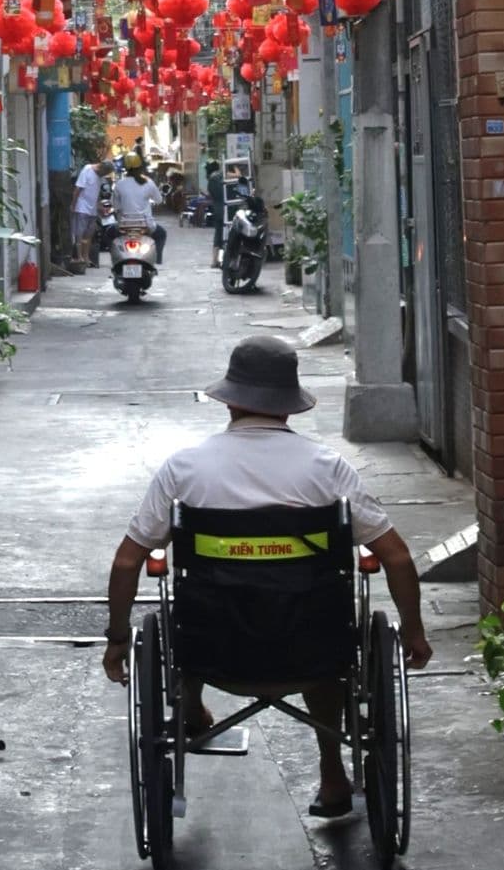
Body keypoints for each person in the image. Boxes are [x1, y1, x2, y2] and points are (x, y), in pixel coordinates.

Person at [102, 337, 432, 818]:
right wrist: (415, 632)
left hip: (215, 647)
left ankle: (191, 706)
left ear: (231, 399)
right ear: (289, 406)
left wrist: (116, 638)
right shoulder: (328, 469)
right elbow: (397, 559)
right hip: (311, 647)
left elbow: (128, 563)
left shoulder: (184, 469)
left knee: (186, 609)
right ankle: (332, 773)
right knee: (326, 616)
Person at [113, 151, 166, 263]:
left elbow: (116, 206)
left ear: (125, 167)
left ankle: (115, 260)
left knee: (109, 234)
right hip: (146, 225)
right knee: (161, 234)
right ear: (140, 166)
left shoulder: (119, 184)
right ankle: (158, 259)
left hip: (124, 226)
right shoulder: (148, 182)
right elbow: (159, 200)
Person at [71, 153, 104, 271]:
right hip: (82, 208)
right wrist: (74, 205)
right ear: (100, 167)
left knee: (88, 235)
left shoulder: (100, 175)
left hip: (92, 210)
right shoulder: (87, 170)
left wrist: (99, 206)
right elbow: (78, 188)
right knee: (79, 234)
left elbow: (96, 193)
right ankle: (79, 257)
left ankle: (86, 257)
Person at [205, 160, 225, 266]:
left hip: (217, 210)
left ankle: (214, 260)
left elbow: (212, 195)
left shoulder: (211, 180)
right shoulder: (220, 176)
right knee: (226, 235)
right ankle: (223, 259)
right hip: (226, 210)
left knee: (218, 235)